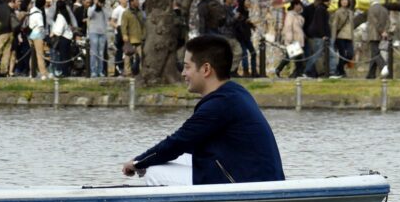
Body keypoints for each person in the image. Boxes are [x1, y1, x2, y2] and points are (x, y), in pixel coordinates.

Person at [121, 35, 284, 186]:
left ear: (206, 69)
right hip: (255, 177)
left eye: (187, 67)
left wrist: (137, 163)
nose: (183, 73)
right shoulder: (235, 92)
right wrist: (146, 160)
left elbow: (177, 142)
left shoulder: (219, 104)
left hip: (249, 186)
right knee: (178, 158)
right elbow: (185, 145)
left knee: (153, 172)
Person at [365, 0, 391, 79]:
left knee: (375, 53)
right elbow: (388, 22)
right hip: (382, 34)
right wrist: (385, 31)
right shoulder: (384, 9)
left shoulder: (371, 9)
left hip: (374, 34)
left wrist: (381, 31)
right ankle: (371, 74)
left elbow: (375, 22)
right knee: (374, 53)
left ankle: (384, 66)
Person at [230, 0, 258, 77]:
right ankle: (246, 72)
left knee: (253, 53)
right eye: (247, 1)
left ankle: (254, 71)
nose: (249, 2)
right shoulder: (237, 12)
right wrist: (245, 22)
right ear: (242, 2)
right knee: (244, 54)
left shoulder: (246, 12)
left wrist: (251, 25)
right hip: (240, 37)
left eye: (249, 1)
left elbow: (245, 22)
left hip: (246, 36)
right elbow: (237, 25)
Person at [275, 0, 304, 78]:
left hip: (298, 39)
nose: (300, 7)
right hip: (293, 40)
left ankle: (295, 73)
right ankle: (279, 69)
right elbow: (288, 27)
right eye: (299, 5)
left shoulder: (297, 15)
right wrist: (289, 39)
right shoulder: (290, 15)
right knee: (293, 57)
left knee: (295, 57)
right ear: (295, 5)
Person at [330, 0, 356, 78]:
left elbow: (352, 27)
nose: (344, 1)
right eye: (342, 0)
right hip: (340, 36)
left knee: (350, 54)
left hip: (349, 36)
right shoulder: (338, 12)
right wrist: (333, 38)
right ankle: (340, 71)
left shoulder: (351, 12)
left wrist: (353, 38)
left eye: (345, 0)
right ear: (340, 2)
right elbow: (334, 25)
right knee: (343, 55)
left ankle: (339, 69)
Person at [120, 0, 145, 77]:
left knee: (142, 57)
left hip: (140, 38)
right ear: (131, 2)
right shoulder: (126, 13)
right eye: (136, 0)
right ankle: (127, 71)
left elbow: (144, 25)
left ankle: (142, 71)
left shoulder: (141, 12)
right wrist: (124, 35)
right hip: (130, 38)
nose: (138, 2)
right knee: (128, 56)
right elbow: (123, 26)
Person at [86, 0, 110, 77]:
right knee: (94, 52)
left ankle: (100, 70)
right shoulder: (91, 8)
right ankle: (93, 71)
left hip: (102, 32)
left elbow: (108, 16)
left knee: (101, 53)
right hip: (93, 32)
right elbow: (90, 14)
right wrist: (95, 5)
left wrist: (102, 6)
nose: (98, 1)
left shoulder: (103, 10)